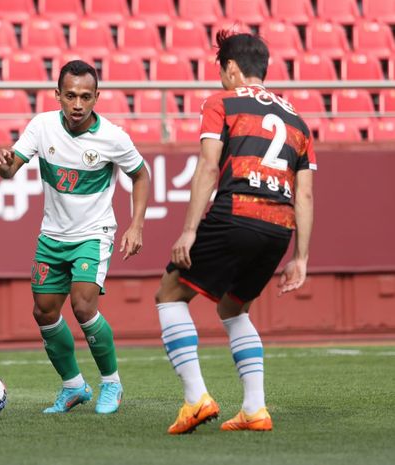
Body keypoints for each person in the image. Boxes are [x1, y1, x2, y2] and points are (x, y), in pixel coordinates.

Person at [154, 31, 316, 434]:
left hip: (235, 213)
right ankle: (254, 409)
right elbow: (306, 195)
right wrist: (301, 257)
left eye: (221, 71)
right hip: (279, 228)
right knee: (232, 307)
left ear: (231, 68)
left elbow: (209, 167)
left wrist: (189, 231)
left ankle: (196, 399)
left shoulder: (221, 102)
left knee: (169, 295)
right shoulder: (298, 120)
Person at [0, 60, 150, 414]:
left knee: (82, 305)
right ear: (57, 96)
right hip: (52, 235)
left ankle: (112, 383)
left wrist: (136, 224)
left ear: (97, 97)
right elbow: (10, 169)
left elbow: (141, 175)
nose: (77, 104)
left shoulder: (113, 137)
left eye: (85, 96)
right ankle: (74, 386)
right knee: (44, 312)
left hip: (93, 234)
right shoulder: (42, 126)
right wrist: (5, 164)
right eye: (69, 96)